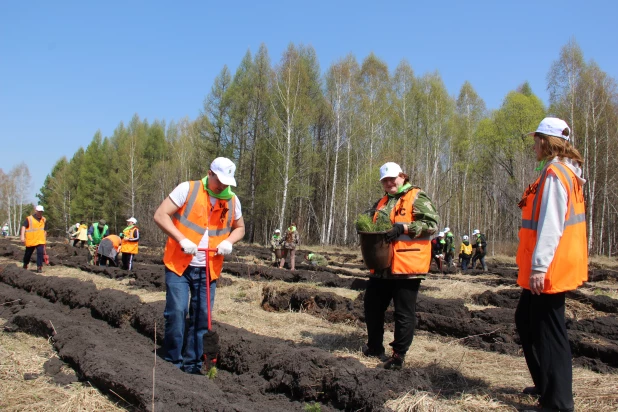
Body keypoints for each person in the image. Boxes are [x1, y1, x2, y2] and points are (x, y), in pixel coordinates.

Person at [514, 117, 587, 412]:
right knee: (526, 320)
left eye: (536, 139)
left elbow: (551, 224)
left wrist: (539, 267)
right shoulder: (563, 171)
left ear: (545, 141)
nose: (534, 144)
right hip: (557, 260)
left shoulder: (556, 174)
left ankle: (557, 402)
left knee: (550, 331)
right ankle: (546, 385)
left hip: (551, 264)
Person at [154, 157, 245, 374]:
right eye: (219, 180)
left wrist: (228, 242)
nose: (223, 186)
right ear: (209, 173)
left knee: (202, 317)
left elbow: (240, 228)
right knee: (176, 312)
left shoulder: (232, 201)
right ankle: (172, 362)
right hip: (180, 265)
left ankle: (192, 365)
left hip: (209, 268)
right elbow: (160, 215)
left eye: (227, 182)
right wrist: (181, 239)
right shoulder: (188, 189)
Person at [363, 162, 439, 370]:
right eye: (384, 181)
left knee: (403, 313)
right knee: (372, 305)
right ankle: (375, 347)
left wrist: (404, 227)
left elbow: (432, 225)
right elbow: (372, 224)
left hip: (407, 266)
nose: (389, 183)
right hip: (382, 266)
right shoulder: (381, 202)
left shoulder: (417, 196)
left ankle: (398, 356)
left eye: (392, 179)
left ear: (402, 176)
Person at [20, 205, 47, 273]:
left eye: (41, 212)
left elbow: (45, 230)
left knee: (40, 253)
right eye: (39, 211)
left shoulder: (44, 219)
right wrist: (22, 236)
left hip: (40, 240)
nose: (40, 213)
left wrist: (44, 238)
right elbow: (23, 227)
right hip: (31, 239)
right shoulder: (29, 219)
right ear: (36, 211)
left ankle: (39, 267)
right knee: (28, 254)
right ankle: (25, 264)